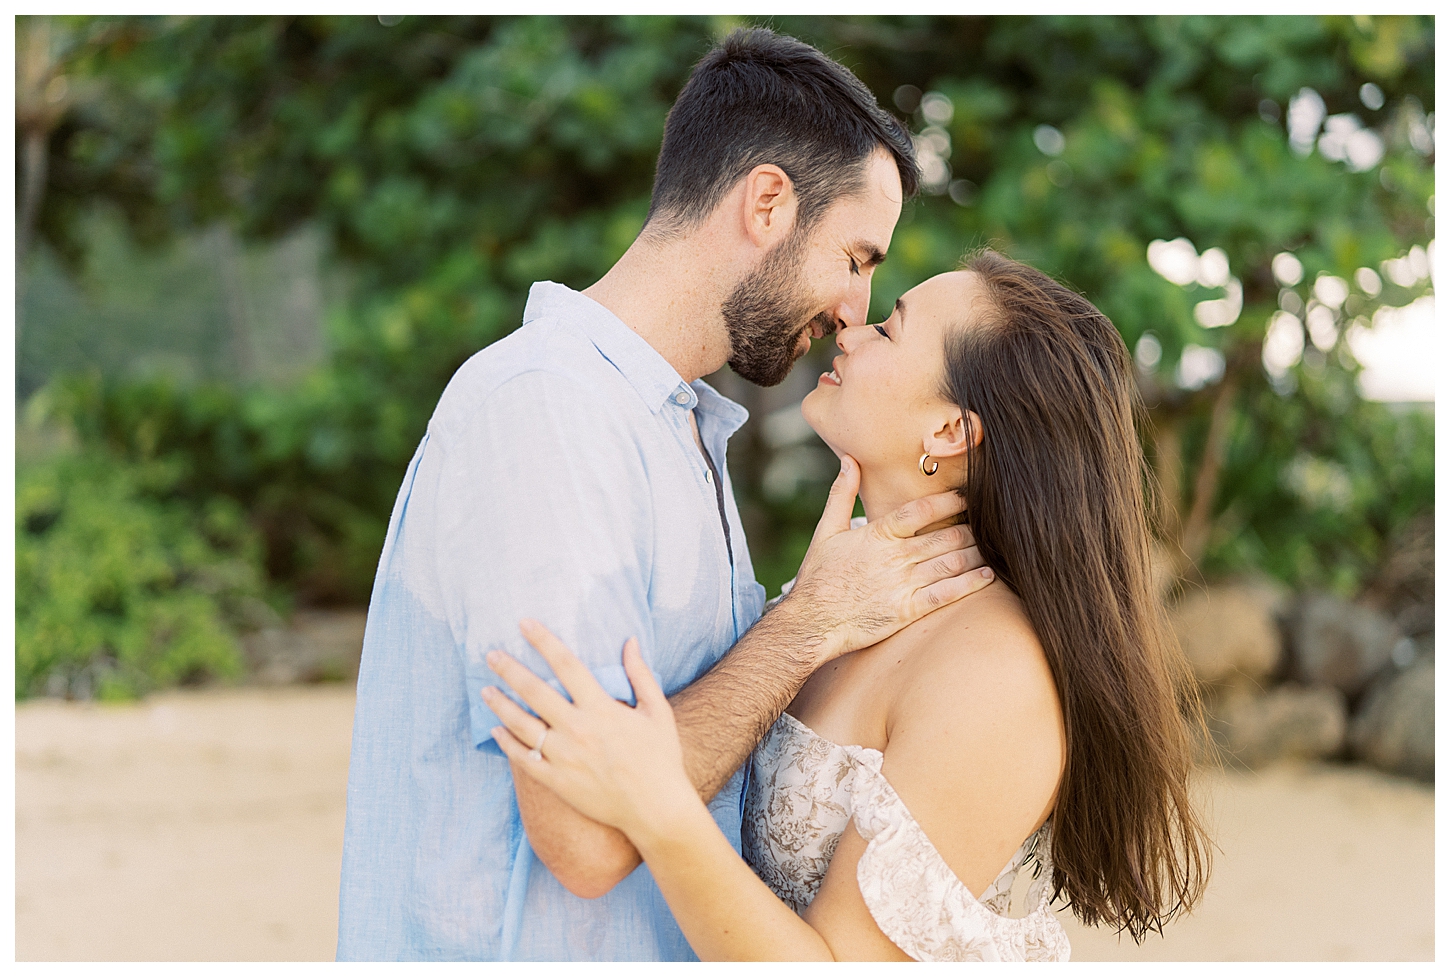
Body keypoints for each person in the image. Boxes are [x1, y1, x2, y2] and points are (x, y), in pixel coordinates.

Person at [336, 28, 996, 962]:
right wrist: (806, 625)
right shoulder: (550, 412)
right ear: (768, 202)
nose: (856, 311)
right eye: (857, 258)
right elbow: (588, 835)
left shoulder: (676, 427)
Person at [487, 250, 1215, 961]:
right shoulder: (848, 583)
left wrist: (663, 810)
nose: (852, 330)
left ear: (950, 430)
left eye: (891, 328)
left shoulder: (995, 671)